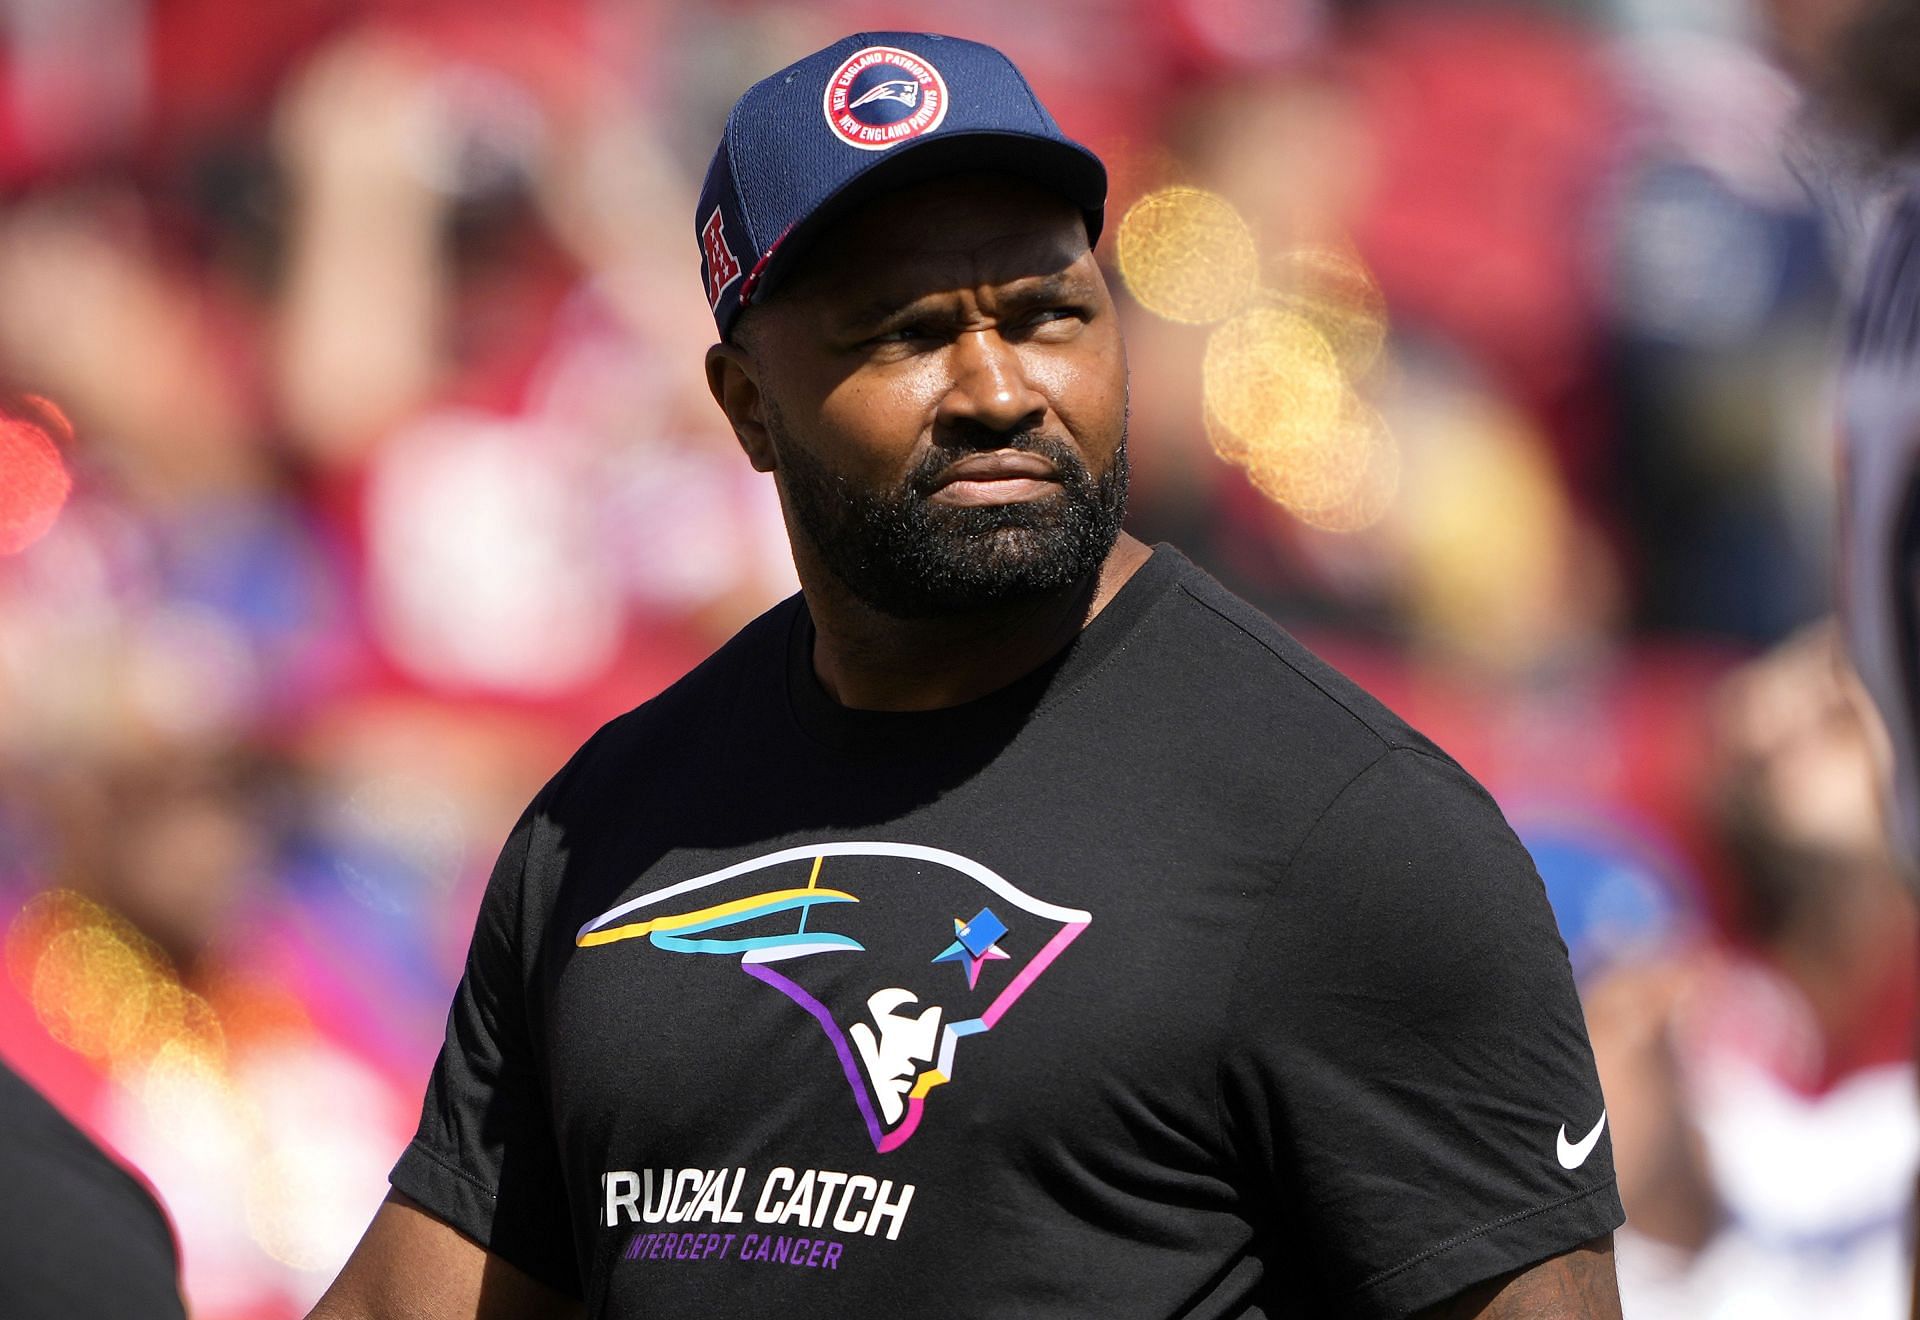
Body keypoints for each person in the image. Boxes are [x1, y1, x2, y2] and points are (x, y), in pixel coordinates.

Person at [310, 32, 1623, 1319]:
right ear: (746, 406)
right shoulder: (603, 834)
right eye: (907, 334)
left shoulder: (1352, 832)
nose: (998, 388)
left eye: (1049, 313)